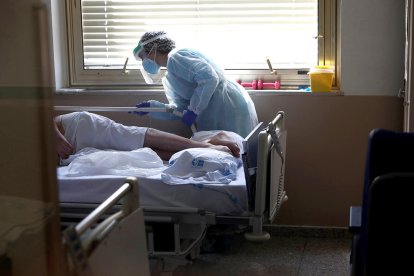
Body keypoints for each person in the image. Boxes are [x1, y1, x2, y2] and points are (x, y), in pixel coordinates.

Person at [131, 31, 259, 138]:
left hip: (227, 106)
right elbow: (181, 109)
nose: (144, 62)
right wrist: (153, 108)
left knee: (238, 152)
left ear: (153, 49)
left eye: (143, 57)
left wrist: (193, 110)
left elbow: (209, 78)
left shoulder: (177, 57)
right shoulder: (170, 76)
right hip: (215, 111)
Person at [54, 111, 240, 162]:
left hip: (76, 130)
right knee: (145, 153)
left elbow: (36, 118)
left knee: (141, 137)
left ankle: (210, 147)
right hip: (75, 153)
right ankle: (207, 144)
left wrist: (54, 138)